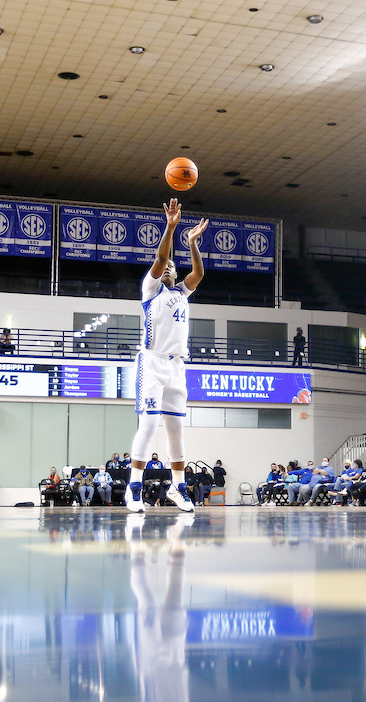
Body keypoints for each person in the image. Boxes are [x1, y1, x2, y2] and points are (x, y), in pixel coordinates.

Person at [125, 199, 209, 514]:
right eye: (166, 267)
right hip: (152, 362)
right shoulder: (150, 289)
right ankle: (133, 490)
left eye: (174, 266)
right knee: (148, 425)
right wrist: (171, 227)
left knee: (175, 429)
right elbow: (162, 256)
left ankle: (178, 487)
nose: (170, 267)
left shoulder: (180, 293)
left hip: (176, 366)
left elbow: (198, 272)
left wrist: (191, 244)